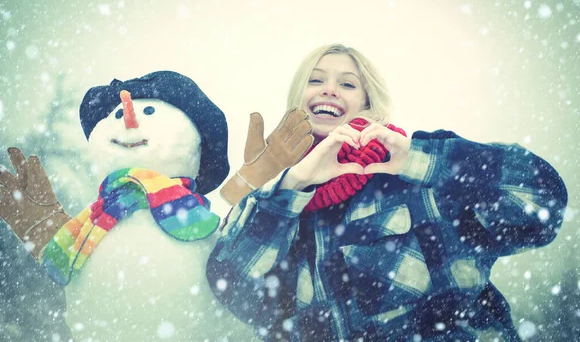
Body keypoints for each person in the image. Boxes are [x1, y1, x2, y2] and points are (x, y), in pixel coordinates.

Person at [206, 44, 568, 341]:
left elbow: (541, 202)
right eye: (315, 80)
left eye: (347, 84)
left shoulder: (419, 176)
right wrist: (290, 186)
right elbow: (234, 290)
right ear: (299, 101)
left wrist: (417, 160)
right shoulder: (285, 203)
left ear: (368, 105)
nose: (329, 89)